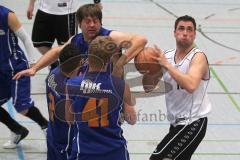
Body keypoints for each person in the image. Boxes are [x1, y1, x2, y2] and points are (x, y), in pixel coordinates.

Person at [14, 3, 147, 77]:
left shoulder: (110, 37)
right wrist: (35, 68)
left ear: (100, 23)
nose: (92, 25)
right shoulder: (76, 40)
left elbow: (141, 39)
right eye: (87, 22)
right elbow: (56, 52)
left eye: (95, 21)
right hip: (87, 91)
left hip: (110, 93)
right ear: (79, 24)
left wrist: (121, 62)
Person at [149, 15, 212, 160]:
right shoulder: (167, 56)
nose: (185, 33)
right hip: (176, 123)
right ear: (174, 32)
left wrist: (167, 66)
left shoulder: (198, 57)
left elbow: (190, 85)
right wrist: (147, 66)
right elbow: (149, 86)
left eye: (189, 29)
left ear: (195, 34)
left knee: (158, 158)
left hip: (193, 122)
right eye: (181, 28)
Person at [65, 36, 136, 160]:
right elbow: (132, 119)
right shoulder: (120, 85)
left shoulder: (72, 84)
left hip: (84, 152)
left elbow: (69, 119)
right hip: (115, 152)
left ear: (88, 56)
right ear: (109, 60)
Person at [0, 5, 48, 149]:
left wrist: (33, 64)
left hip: (16, 68)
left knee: (22, 107)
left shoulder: (6, 15)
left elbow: (26, 39)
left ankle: (47, 128)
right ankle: (17, 130)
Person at [27, 0, 103, 69]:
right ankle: (55, 64)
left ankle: (70, 70)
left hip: (66, 11)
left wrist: (97, 2)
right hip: (44, 9)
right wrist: (31, 4)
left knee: (68, 47)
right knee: (39, 42)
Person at [45, 44, 82, 160]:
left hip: (53, 132)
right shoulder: (71, 90)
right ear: (80, 63)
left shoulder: (52, 74)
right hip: (66, 140)